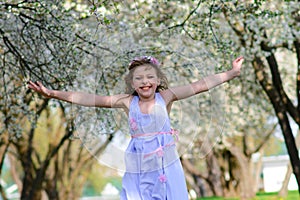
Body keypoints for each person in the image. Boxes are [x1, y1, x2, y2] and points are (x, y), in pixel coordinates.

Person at [28, 55, 244, 200]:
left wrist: (231, 73)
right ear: (132, 83)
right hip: (139, 163)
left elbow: (200, 86)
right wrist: (53, 94)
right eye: (138, 78)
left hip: (165, 163)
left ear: (158, 80)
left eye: (150, 77)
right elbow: (90, 98)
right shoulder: (126, 102)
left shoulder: (166, 97)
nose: (145, 82)